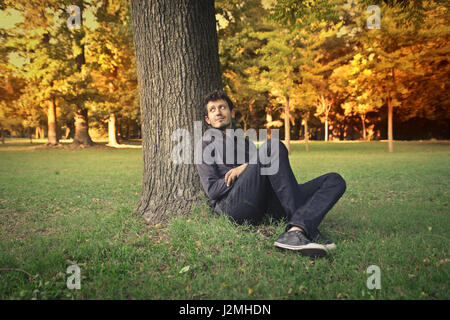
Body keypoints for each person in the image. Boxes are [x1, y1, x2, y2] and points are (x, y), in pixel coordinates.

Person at [195, 90, 346, 258]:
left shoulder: (245, 142)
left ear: (232, 113)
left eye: (222, 107)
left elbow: (266, 170)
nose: (218, 112)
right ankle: (304, 227)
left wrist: (246, 167)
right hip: (234, 205)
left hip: (266, 204)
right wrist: (242, 171)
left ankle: (297, 229)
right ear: (208, 120)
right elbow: (212, 190)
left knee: (334, 180)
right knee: (272, 145)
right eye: (212, 109)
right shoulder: (204, 145)